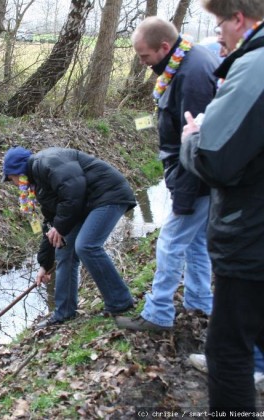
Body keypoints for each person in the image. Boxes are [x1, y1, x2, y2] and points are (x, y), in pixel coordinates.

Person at [180, 0, 264, 411]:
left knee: (227, 350)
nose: (218, 36)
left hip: (253, 238)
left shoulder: (255, 66)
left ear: (239, 19)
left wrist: (191, 139)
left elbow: (215, 157)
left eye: (219, 25)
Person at [115, 17, 219, 332]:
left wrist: (185, 193)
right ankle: (201, 302)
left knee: (170, 243)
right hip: (192, 174)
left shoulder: (192, 76)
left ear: (164, 47)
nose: (143, 63)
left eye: (145, 56)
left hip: (195, 177)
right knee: (196, 241)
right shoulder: (184, 64)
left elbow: (199, 141)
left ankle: (158, 313)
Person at [1, 146, 136, 328]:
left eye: (12, 178)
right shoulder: (39, 186)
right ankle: (64, 313)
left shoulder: (47, 162)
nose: (15, 184)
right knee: (64, 252)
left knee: (86, 246)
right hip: (85, 205)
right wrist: (44, 265)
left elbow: (74, 191)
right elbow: (50, 222)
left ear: (19, 170)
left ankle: (120, 301)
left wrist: (60, 227)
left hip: (108, 195)